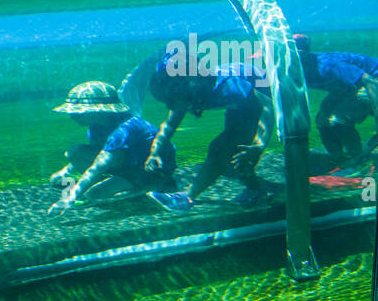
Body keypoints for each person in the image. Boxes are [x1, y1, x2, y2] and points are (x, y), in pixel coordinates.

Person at [143, 54, 274, 213]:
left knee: (220, 148)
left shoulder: (229, 87)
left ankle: (187, 198)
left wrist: (259, 145)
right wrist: (155, 151)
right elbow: (169, 126)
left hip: (256, 102)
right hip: (238, 105)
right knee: (233, 161)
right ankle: (257, 190)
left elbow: (268, 107)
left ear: (191, 84)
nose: (169, 103)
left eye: (173, 93)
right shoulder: (186, 92)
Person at [47, 81, 176, 214]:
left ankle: (153, 186)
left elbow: (99, 165)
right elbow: (97, 152)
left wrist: (69, 198)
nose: (72, 116)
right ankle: (116, 185)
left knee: (94, 194)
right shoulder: (97, 126)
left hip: (148, 170)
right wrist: (65, 172)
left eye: (78, 111)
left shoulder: (124, 129)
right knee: (74, 152)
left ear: (97, 110)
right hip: (127, 164)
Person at [295, 33, 378, 169]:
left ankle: (361, 163)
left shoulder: (328, 65)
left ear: (304, 53)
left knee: (338, 120)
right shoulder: (298, 70)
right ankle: (339, 159)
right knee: (322, 120)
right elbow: (339, 85)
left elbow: (370, 82)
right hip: (352, 87)